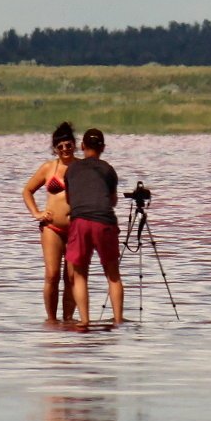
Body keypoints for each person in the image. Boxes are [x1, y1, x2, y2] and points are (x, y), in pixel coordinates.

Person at [64, 127, 125, 327]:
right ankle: (117, 321)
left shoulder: (71, 169)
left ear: (82, 147)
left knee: (80, 274)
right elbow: (113, 200)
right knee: (113, 274)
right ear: (103, 148)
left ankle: (84, 321)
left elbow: (70, 200)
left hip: (80, 221)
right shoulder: (108, 169)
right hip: (104, 221)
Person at [22, 121, 79, 323]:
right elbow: (27, 191)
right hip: (52, 229)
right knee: (52, 275)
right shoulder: (48, 168)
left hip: (76, 230)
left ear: (75, 145)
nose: (65, 149)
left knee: (72, 278)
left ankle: (69, 320)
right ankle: (52, 320)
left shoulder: (82, 168)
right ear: (55, 149)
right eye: (60, 146)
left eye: (68, 145)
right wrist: (36, 213)